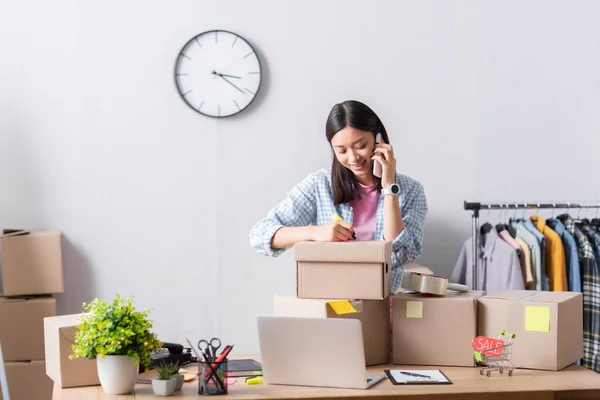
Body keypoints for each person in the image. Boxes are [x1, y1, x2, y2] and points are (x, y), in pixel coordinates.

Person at [249, 100, 428, 294]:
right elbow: (259, 235)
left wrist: (389, 188)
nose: (352, 158)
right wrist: (314, 233)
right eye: (341, 150)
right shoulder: (319, 184)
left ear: (379, 140)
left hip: (381, 304)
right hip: (329, 302)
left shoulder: (411, 191)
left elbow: (400, 254)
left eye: (361, 146)